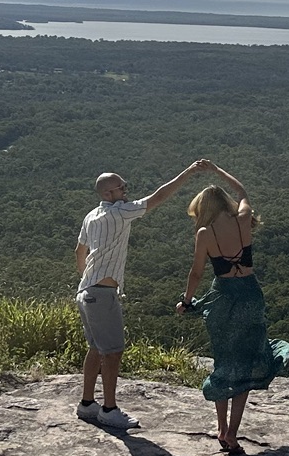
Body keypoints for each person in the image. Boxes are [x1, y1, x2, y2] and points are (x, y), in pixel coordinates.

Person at [75, 159, 208, 430]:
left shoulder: (91, 216)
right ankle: (109, 409)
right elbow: (158, 197)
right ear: (108, 194)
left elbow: (80, 252)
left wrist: (87, 279)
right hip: (102, 292)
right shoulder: (120, 212)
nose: (126, 191)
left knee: (95, 348)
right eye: (121, 188)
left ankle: (87, 403)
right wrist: (189, 172)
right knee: (112, 352)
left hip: (86, 290)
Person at [176, 162, 289, 453]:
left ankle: (220, 427)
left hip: (223, 299)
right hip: (250, 296)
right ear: (225, 203)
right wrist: (216, 170)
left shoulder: (204, 233)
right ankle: (232, 433)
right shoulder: (243, 219)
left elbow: (196, 272)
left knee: (225, 364)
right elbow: (242, 190)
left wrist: (187, 301)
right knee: (247, 364)